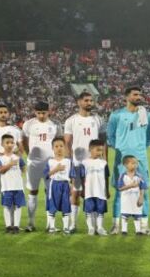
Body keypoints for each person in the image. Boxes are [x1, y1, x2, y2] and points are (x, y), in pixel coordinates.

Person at [107, 86, 150, 234]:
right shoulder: (116, 115)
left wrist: (138, 150)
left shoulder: (147, 116)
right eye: (135, 94)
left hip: (140, 159)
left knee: (143, 191)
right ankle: (116, 225)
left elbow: (149, 137)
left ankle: (144, 226)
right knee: (120, 191)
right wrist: (122, 149)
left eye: (140, 94)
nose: (138, 97)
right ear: (127, 97)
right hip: (122, 159)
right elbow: (110, 136)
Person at [63, 92, 103, 233]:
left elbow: (102, 143)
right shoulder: (71, 120)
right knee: (75, 193)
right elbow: (67, 144)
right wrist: (69, 164)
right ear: (79, 102)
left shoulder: (98, 120)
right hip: (77, 164)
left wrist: (104, 161)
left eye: (91, 100)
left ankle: (92, 226)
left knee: (91, 194)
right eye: (86, 100)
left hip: (94, 164)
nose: (89, 103)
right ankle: (73, 224)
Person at [21, 102, 59, 232]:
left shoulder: (55, 125)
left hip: (50, 164)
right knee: (33, 192)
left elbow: (59, 143)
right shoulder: (28, 124)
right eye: (38, 113)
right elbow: (24, 141)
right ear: (34, 112)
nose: (41, 115)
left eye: (44, 113)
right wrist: (29, 154)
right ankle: (30, 223)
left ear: (49, 111)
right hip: (34, 164)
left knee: (50, 192)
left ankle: (50, 225)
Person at [0, 134, 27, 233]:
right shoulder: (0, 158)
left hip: (18, 186)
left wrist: (20, 174)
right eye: (7, 142)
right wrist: (10, 164)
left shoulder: (17, 157)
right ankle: (8, 226)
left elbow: (23, 168)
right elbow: (0, 170)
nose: (10, 145)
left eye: (12, 143)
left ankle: (16, 226)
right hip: (7, 187)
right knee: (7, 206)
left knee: (18, 206)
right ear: (2, 144)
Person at [79, 139, 111, 236]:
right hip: (89, 191)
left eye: (101, 150)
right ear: (90, 149)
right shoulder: (84, 163)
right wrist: (83, 189)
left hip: (101, 191)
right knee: (89, 210)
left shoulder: (104, 163)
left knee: (100, 210)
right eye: (98, 150)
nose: (99, 152)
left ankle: (100, 227)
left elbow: (106, 177)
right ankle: (91, 228)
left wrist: (107, 190)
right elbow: (82, 177)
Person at [44, 137, 75, 234]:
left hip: (65, 185)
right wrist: (56, 169)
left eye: (61, 146)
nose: (59, 148)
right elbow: (46, 175)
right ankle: (52, 227)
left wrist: (72, 187)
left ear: (65, 147)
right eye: (56, 146)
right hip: (54, 185)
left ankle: (65, 228)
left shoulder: (68, 161)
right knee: (52, 206)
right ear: (52, 148)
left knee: (66, 206)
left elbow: (72, 175)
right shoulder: (50, 161)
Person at [116, 154, 148, 236]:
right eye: (133, 163)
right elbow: (120, 188)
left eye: (136, 163)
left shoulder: (139, 176)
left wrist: (141, 197)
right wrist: (131, 186)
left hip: (136, 199)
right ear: (126, 165)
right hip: (126, 200)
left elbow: (142, 187)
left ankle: (138, 231)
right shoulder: (122, 176)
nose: (135, 165)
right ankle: (124, 231)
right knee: (125, 216)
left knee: (137, 215)